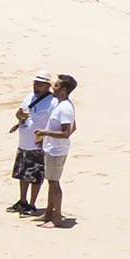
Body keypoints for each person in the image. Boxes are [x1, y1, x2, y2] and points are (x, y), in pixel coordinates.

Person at [6, 72, 56, 215]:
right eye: (35, 83)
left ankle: (32, 204)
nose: (36, 87)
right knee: (22, 174)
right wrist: (19, 115)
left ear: (47, 86)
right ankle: (22, 201)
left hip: (38, 144)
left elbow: (53, 123)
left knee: (35, 176)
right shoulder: (29, 97)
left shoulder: (52, 102)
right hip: (24, 142)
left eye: (39, 84)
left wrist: (46, 138)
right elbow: (19, 113)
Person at [33, 73, 78, 227]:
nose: (53, 87)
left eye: (57, 85)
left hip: (56, 151)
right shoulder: (63, 104)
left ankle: (56, 217)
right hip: (53, 148)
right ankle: (49, 213)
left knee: (54, 183)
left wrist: (45, 133)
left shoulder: (64, 107)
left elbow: (66, 132)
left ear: (64, 90)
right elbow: (74, 127)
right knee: (51, 182)